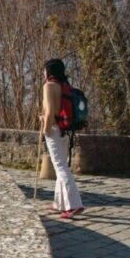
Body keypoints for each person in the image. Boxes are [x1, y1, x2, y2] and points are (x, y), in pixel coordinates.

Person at [41, 58, 85, 219]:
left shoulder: (49, 86)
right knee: (61, 165)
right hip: (65, 129)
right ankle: (59, 203)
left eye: (44, 70)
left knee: (61, 167)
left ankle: (74, 204)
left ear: (49, 71)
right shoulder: (64, 86)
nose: (43, 73)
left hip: (54, 129)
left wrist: (45, 128)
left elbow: (50, 111)